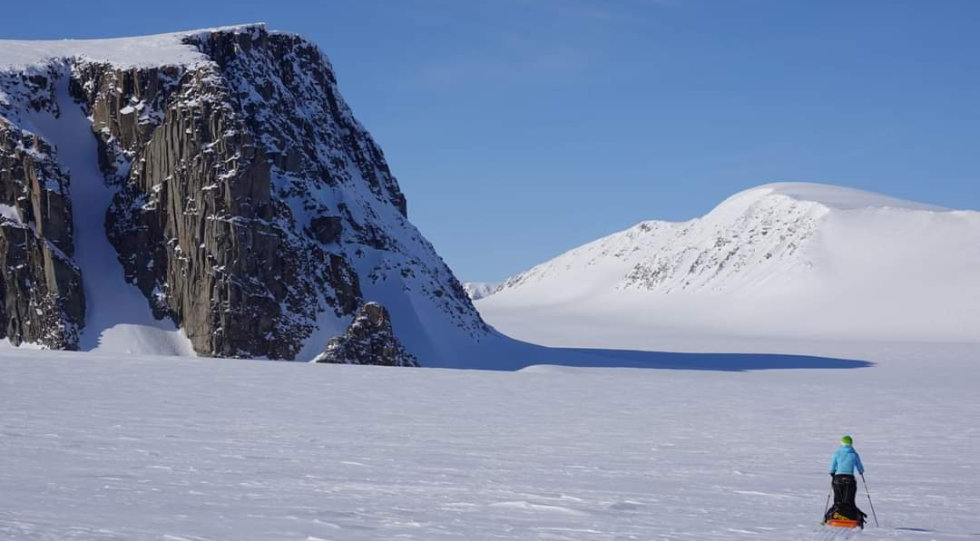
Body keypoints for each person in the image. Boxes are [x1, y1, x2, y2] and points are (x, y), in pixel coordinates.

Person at [824, 435, 867, 527]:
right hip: (850, 478)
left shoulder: (837, 453)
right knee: (849, 499)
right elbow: (860, 468)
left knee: (838, 499)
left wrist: (832, 473)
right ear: (851, 444)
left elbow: (831, 467)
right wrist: (861, 472)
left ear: (841, 443)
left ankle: (837, 515)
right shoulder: (854, 454)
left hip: (838, 478)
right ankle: (850, 516)